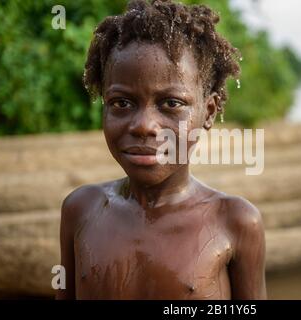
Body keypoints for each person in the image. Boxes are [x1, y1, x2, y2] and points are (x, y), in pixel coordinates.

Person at [56, 0, 266, 300]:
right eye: (122, 103)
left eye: (171, 104)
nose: (144, 126)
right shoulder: (81, 209)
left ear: (208, 112)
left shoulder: (236, 221)